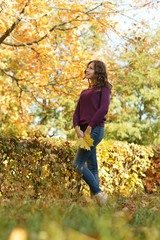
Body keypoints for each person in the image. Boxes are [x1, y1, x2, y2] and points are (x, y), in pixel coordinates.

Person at [72, 60, 112, 206]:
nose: (86, 70)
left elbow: (103, 109)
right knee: (92, 166)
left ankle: (99, 195)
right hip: (83, 132)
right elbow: (76, 113)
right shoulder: (84, 92)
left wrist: (89, 128)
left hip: (95, 130)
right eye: (87, 68)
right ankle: (98, 204)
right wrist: (77, 129)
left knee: (77, 163)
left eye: (90, 68)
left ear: (98, 72)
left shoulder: (104, 88)